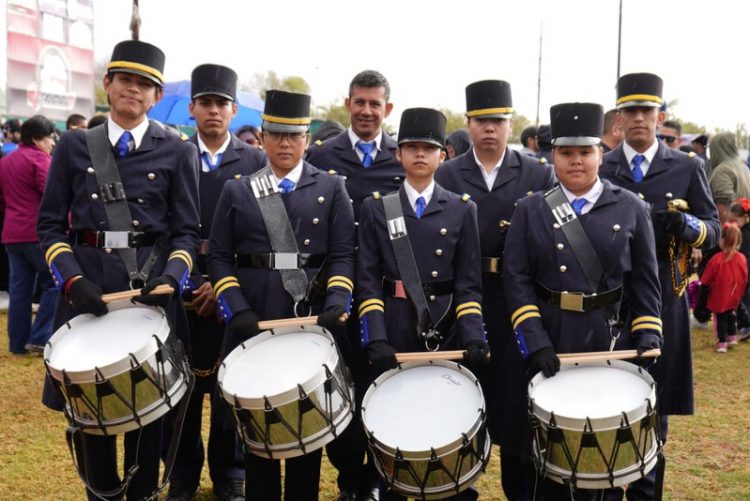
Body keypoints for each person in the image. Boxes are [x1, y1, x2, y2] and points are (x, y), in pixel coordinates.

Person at [36, 40, 200, 501]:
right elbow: (49, 226)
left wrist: (172, 279)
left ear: (156, 95)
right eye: (125, 79)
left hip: (150, 295)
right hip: (88, 292)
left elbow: (186, 232)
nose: (133, 89)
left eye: (144, 84)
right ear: (107, 84)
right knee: (93, 418)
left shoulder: (178, 151)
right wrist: (72, 280)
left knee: (149, 418)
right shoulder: (74, 145)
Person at [503, 102, 662, 500]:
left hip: (608, 339)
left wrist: (646, 334)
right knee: (550, 454)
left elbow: (645, 282)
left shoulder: (631, 207)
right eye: (566, 152)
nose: (576, 160)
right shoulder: (530, 209)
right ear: (552, 156)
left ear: (601, 154)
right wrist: (535, 342)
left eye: (585, 152)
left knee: (602, 450)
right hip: (552, 337)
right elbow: (517, 281)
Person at [207, 89, 355, 501]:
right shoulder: (238, 190)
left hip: (308, 322)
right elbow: (218, 257)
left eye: (294, 135)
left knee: (306, 430)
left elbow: (344, 255)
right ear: (263, 137)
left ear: (307, 139)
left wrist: (336, 303)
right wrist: (236, 309)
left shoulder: (331, 187)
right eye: (276, 134)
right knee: (258, 430)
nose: (285, 143)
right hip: (254, 320)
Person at [356, 107, 487, 501]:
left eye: (428, 148)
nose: (419, 154)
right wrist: (375, 337)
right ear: (398, 154)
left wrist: (474, 337)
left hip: (445, 327)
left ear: (442, 156)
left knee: (444, 417)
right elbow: (367, 281)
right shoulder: (377, 207)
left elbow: (468, 285)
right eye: (411, 147)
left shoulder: (463, 208)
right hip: (396, 323)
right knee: (395, 419)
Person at [600, 72, 719, 500]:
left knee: (655, 406)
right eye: (630, 111)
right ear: (618, 118)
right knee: (607, 404)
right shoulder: (602, 166)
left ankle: (647, 491)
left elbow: (713, 229)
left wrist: (687, 226)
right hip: (609, 299)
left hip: (665, 297)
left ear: (660, 116)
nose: (638, 118)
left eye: (646, 111)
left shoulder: (687, 167)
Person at [434, 79, 554, 501]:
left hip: (519, 298)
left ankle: (519, 487)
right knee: (463, 394)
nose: (490, 128)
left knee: (517, 399)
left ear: (511, 124)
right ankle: (459, 486)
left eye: (499, 121)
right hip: (462, 298)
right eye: (482, 120)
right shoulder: (447, 173)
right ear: (468, 123)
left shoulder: (537, 172)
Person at [164, 63, 266, 501]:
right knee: (180, 388)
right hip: (180, 284)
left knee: (231, 386)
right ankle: (182, 470)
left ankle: (230, 469)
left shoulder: (256, 161)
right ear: (191, 108)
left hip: (233, 288)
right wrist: (189, 279)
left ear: (234, 109)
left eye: (221, 103)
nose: (213, 110)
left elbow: (262, 233)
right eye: (205, 102)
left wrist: (221, 284)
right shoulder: (173, 155)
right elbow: (166, 226)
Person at [306, 69, 403, 501]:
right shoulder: (322, 156)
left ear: (388, 108)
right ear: (347, 104)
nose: (366, 111)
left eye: (374, 104)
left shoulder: (402, 157)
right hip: (334, 291)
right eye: (359, 102)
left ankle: (379, 479)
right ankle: (349, 477)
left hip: (387, 293)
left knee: (382, 384)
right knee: (340, 384)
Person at [0, 115, 59, 354]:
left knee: (19, 291)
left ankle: (17, 343)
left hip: (12, 233)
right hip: (37, 233)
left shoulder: (6, 161)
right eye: (48, 138)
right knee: (55, 283)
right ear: (36, 139)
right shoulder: (40, 160)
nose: (52, 143)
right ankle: (40, 336)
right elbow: (52, 195)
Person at [701, 222, 747, 352]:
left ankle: (722, 342)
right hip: (735, 294)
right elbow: (745, 277)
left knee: (720, 318)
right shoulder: (741, 258)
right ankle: (732, 336)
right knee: (732, 315)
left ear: (722, 240)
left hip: (719, 295)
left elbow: (706, 279)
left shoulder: (717, 259)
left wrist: (704, 289)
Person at [708, 131, 750, 223]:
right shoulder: (744, 167)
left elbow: (723, 206)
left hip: (732, 227)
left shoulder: (723, 170)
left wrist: (723, 229)